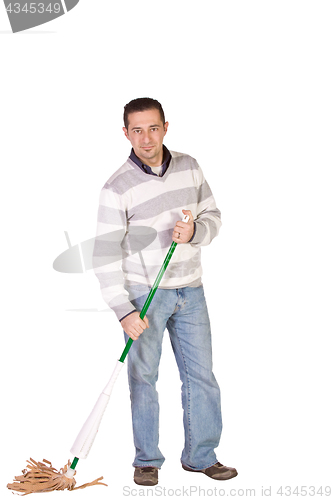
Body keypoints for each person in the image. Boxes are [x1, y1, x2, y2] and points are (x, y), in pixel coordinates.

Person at [93, 98, 237, 486]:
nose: (145, 137)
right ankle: (147, 460)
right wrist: (123, 310)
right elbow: (104, 255)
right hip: (144, 297)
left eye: (152, 128)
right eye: (136, 130)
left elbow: (213, 216)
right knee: (143, 377)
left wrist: (193, 232)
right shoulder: (116, 187)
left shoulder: (190, 167)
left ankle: (201, 456)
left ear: (165, 127)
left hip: (191, 290)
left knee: (201, 376)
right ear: (126, 133)